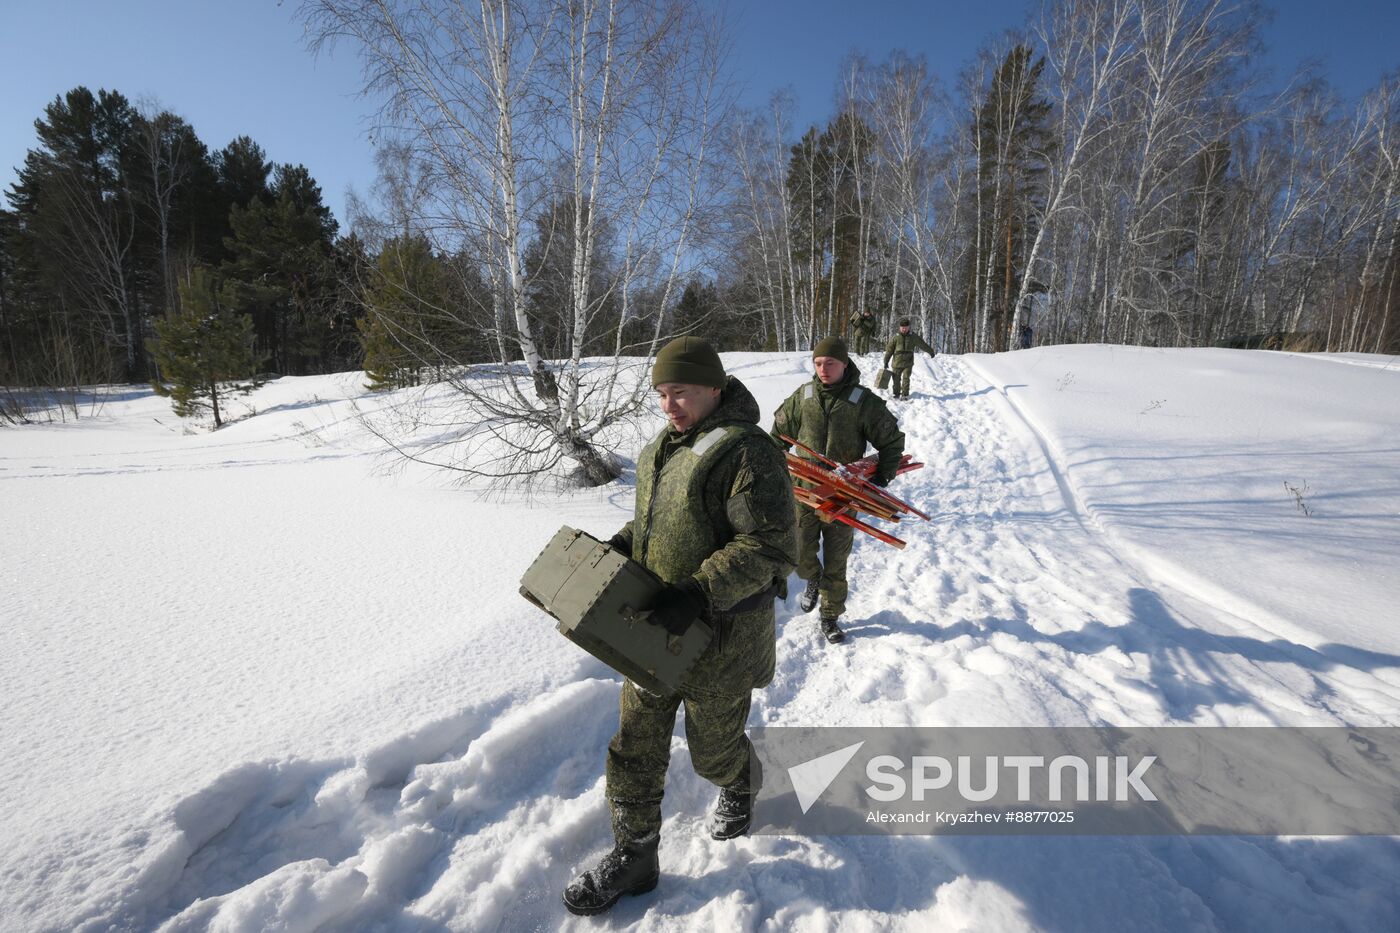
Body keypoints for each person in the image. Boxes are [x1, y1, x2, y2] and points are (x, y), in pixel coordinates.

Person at [563, 336, 797, 917]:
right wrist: (620, 547)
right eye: (663, 394)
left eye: (682, 392)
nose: (670, 405)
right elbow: (656, 523)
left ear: (715, 388)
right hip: (651, 631)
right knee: (634, 746)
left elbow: (771, 545)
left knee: (712, 754)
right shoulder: (661, 449)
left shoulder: (749, 453)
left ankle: (740, 780)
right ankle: (635, 855)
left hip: (722, 640)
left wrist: (698, 590)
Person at [771, 336, 904, 644]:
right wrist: (776, 471)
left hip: (844, 496)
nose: (823, 369)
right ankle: (812, 578)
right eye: (818, 363)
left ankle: (830, 616)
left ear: (844, 364)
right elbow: (777, 436)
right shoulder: (803, 396)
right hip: (805, 493)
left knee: (836, 559)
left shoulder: (861, 400)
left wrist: (881, 477)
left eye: (830, 363)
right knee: (800, 552)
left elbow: (892, 440)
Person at [882, 317, 936, 399]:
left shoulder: (913, 336)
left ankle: (905, 395)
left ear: (908, 327)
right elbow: (889, 350)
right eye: (902, 327)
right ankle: (896, 393)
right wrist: (886, 361)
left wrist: (930, 351)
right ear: (900, 327)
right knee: (896, 379)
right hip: (897, 362)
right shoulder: (895, 337)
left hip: (908, 362)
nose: (904, 329)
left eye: (906, 327)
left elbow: (922, 344)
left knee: (906, 378)